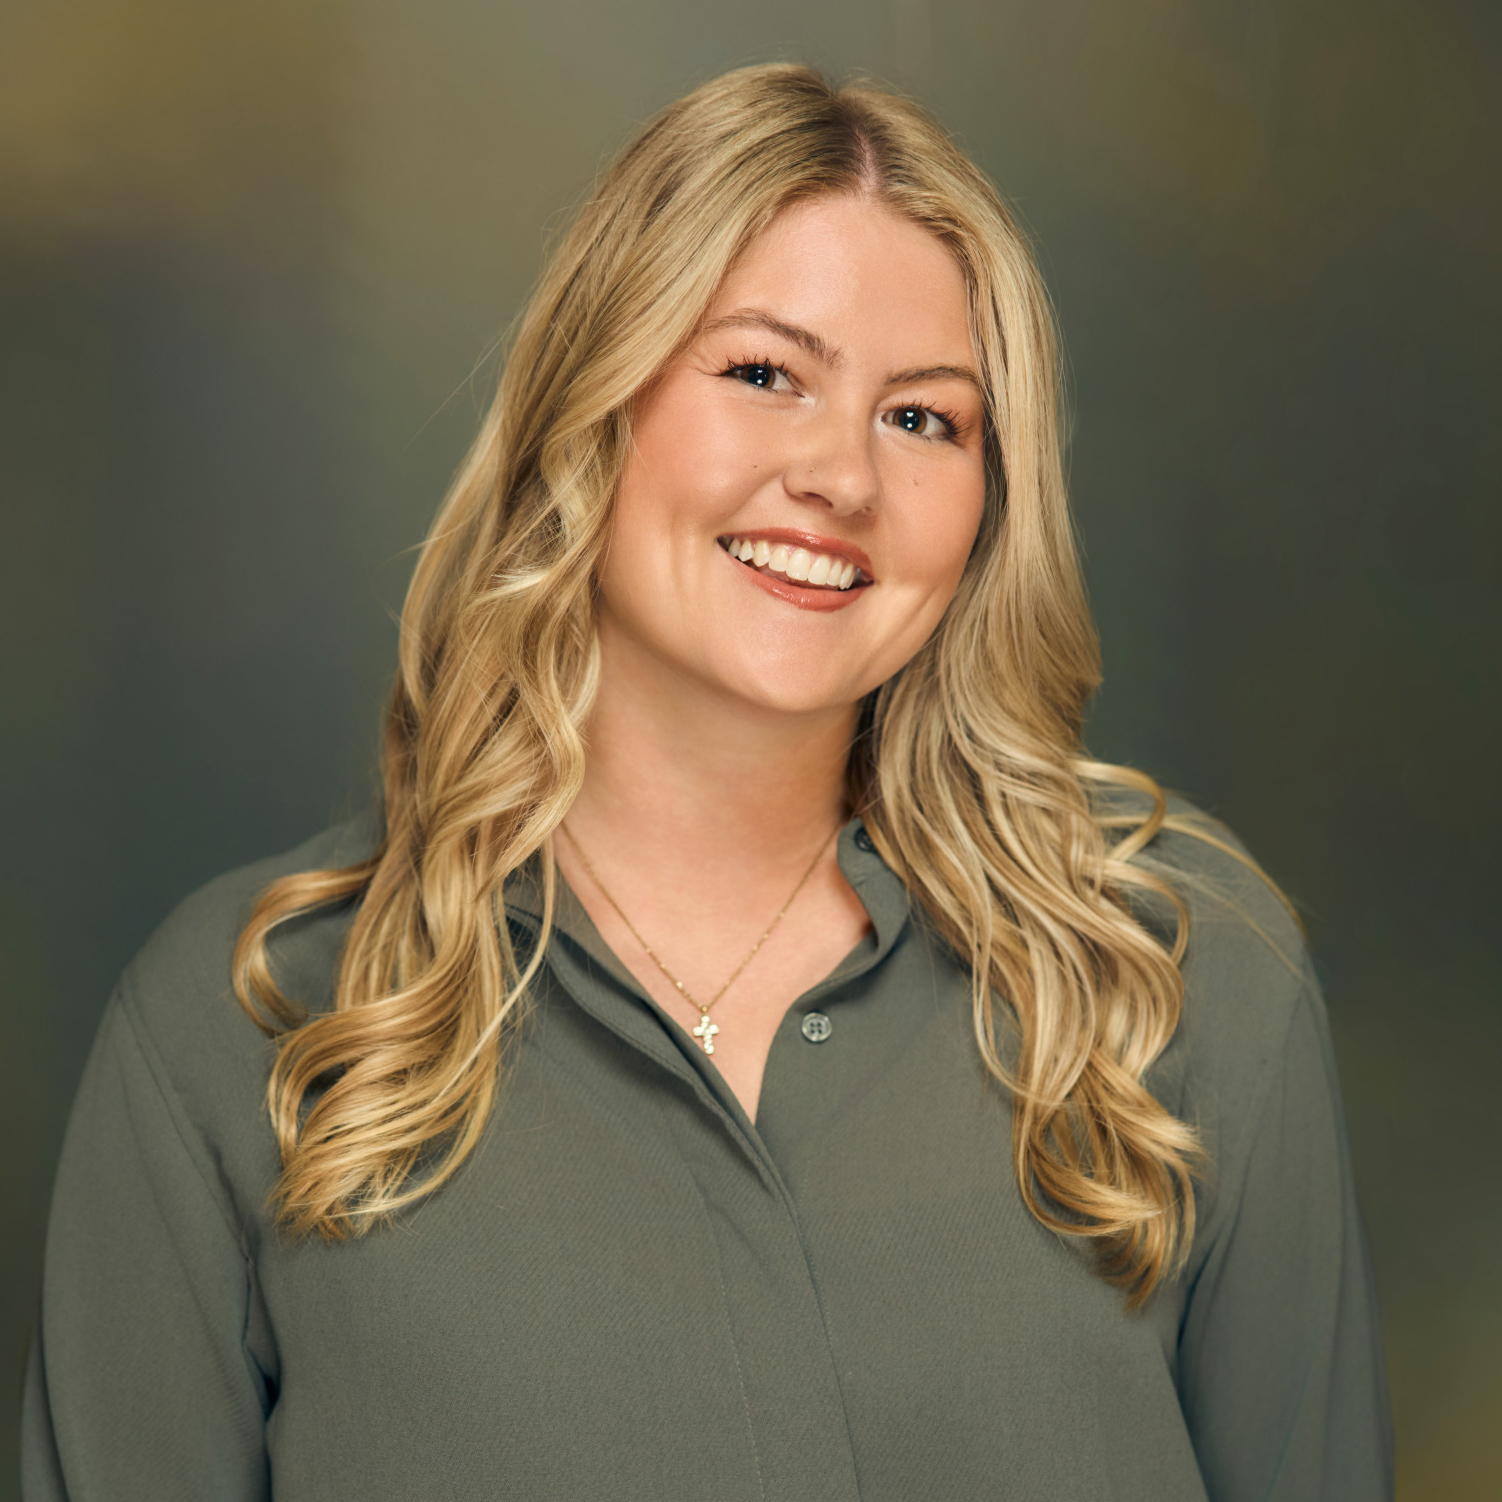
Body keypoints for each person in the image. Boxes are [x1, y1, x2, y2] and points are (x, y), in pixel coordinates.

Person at [22, 64, 1392, 1501]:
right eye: (761, 374)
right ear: (590, 407)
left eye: (923, 418)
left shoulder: (1180, 974)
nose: (841, 478)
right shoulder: (240, 1033)